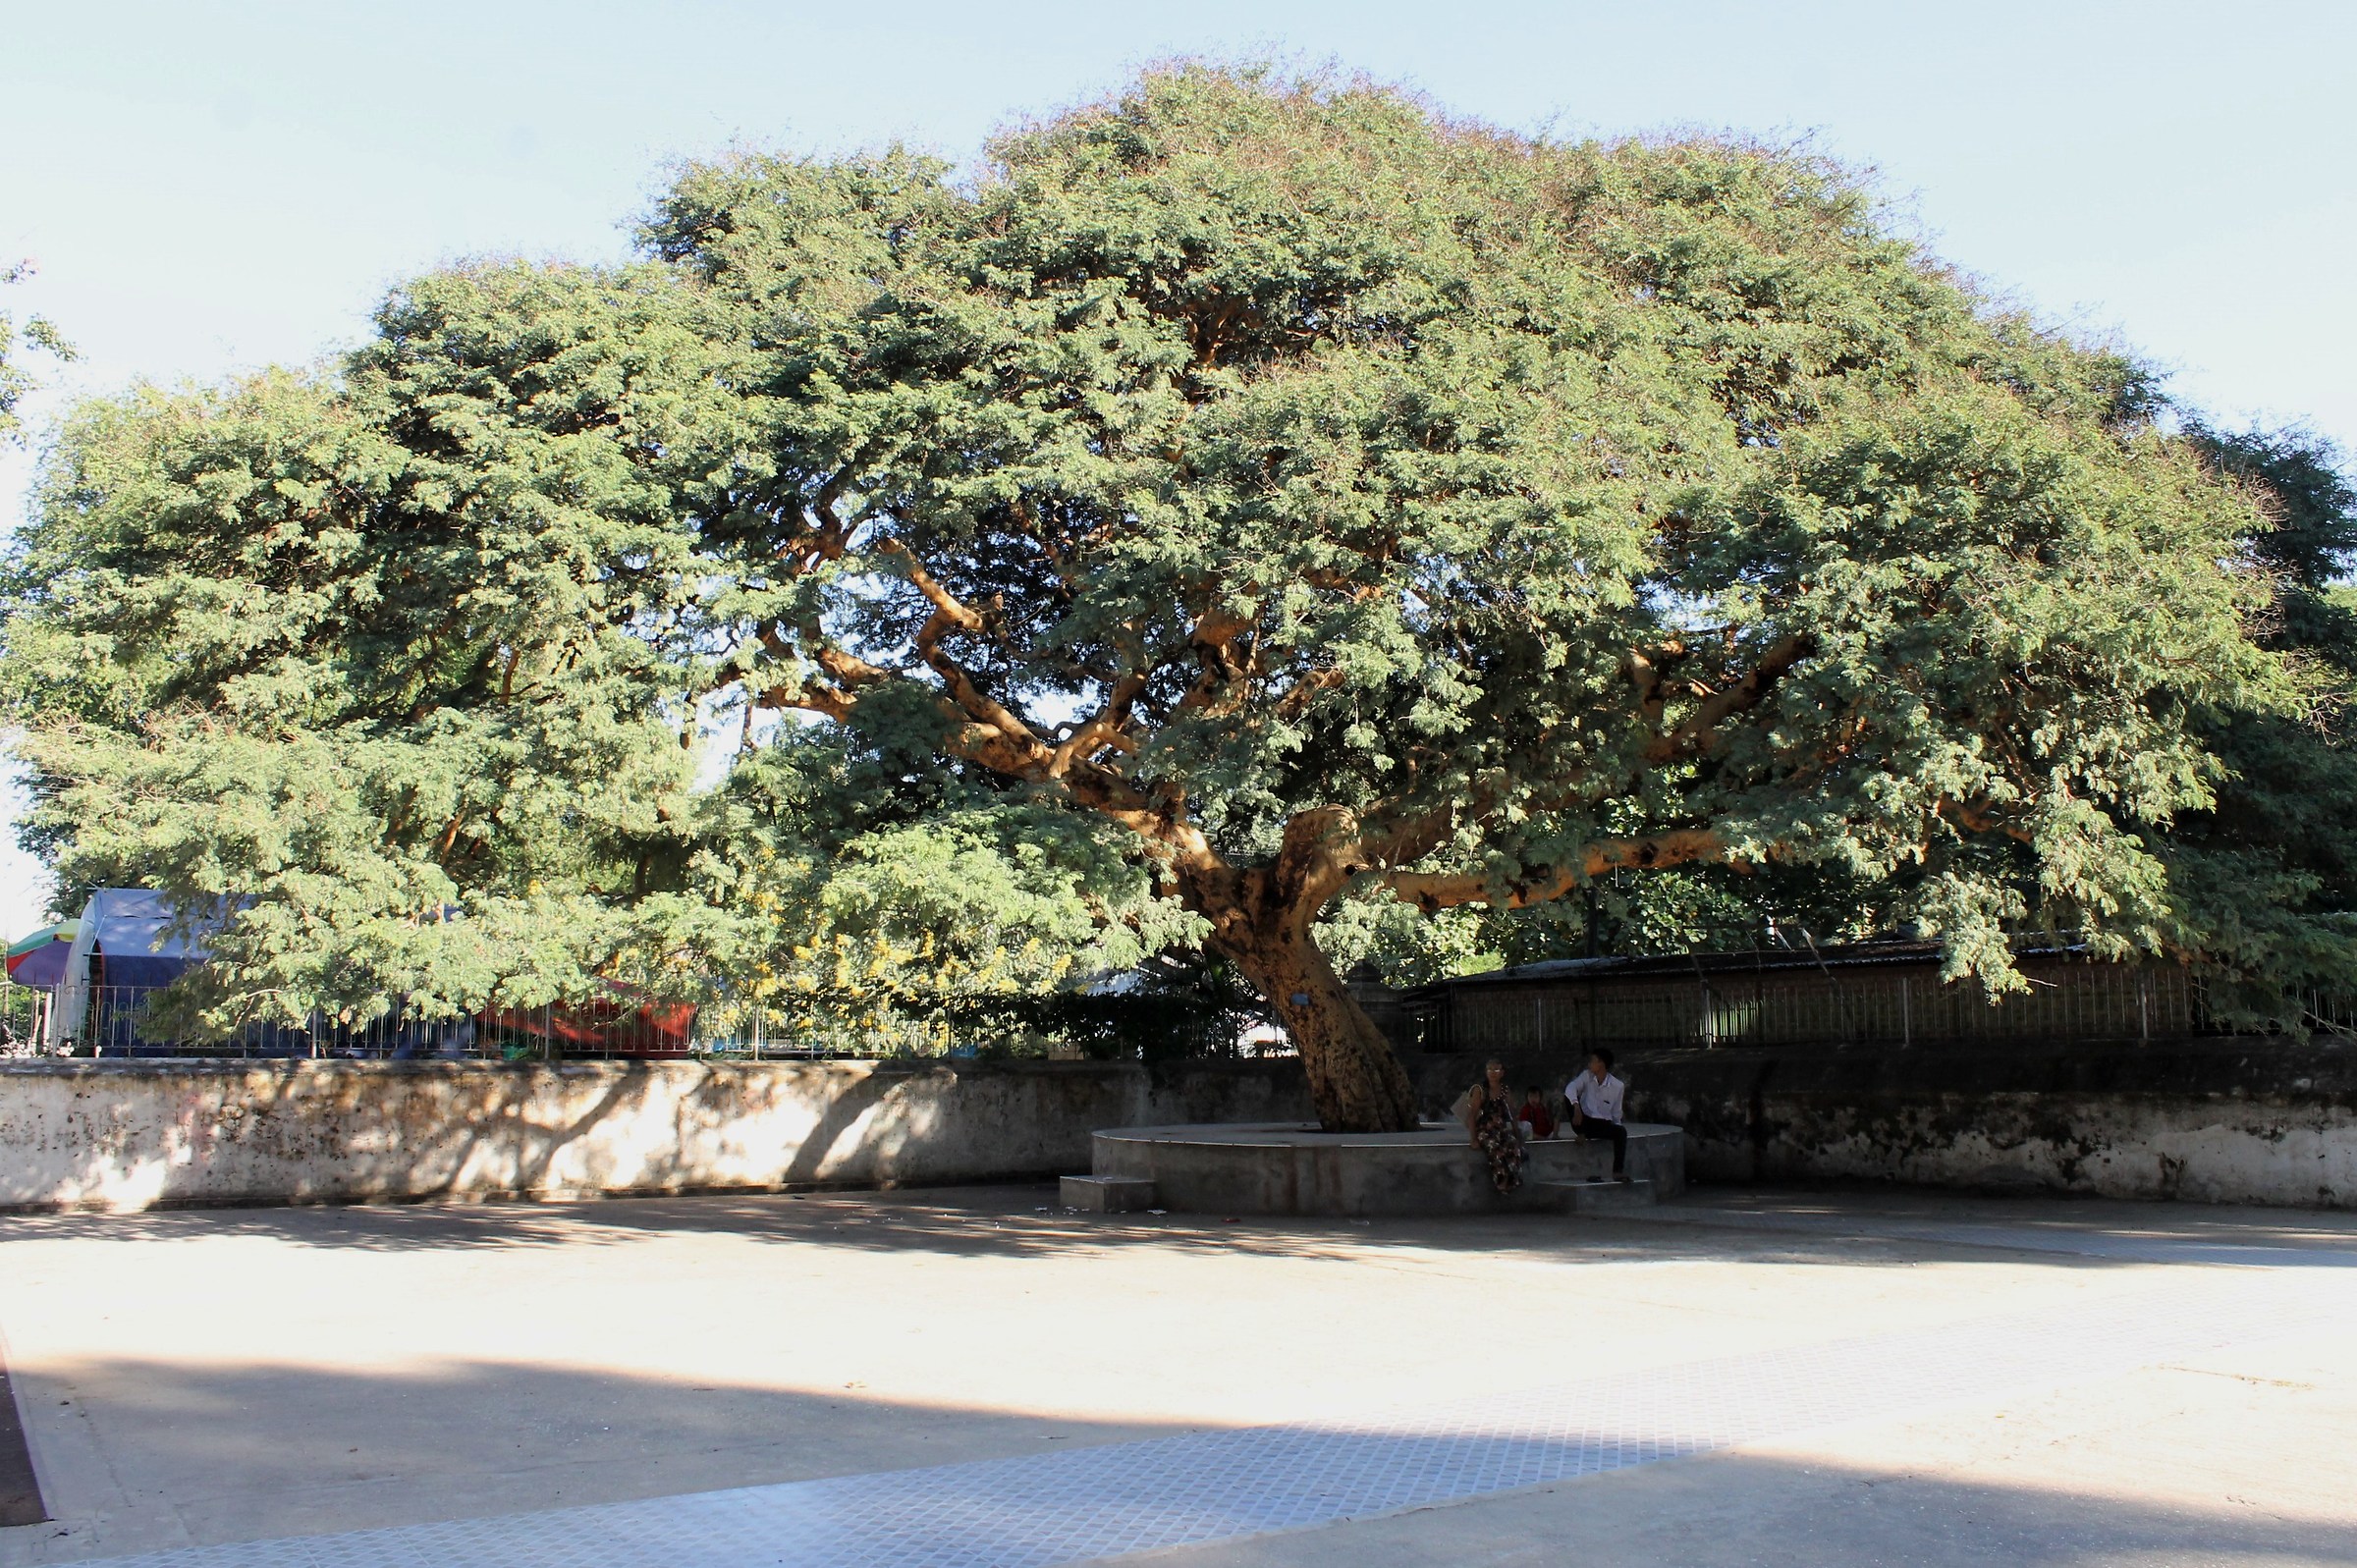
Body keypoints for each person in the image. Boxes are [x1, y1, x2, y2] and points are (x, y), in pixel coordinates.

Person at [1565, 1049, 1630, 1181]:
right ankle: (1582, 1132)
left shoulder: (1617, 1086)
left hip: (1601, 1124)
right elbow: (1570, 1088)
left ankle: (1617, 1171)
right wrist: (1576, 1106)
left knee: (1621, 1132)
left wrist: (1615, 1129)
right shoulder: (1586, 1076)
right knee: (1568, 1099)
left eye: (1592, 1061)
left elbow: (1616, 1113)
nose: (1589, 1064)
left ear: (1601, 1064)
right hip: (1583, 1121)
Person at [1462, 1058, 1524, 1194]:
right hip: (1484, 1129)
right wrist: (1473, 1139)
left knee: (1512, 1145)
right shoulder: (1480, 1090)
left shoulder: (1505, 1090)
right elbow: (1472, 1116)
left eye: (1496, 1070)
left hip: (1500, 1129)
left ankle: (1513, 1180)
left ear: (1502, 1073)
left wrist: (1517, 1134)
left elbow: (1512, 1113)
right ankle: (1501, 1181)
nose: (1493, 1073)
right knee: (1495, 1147)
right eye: (1490, 1069)